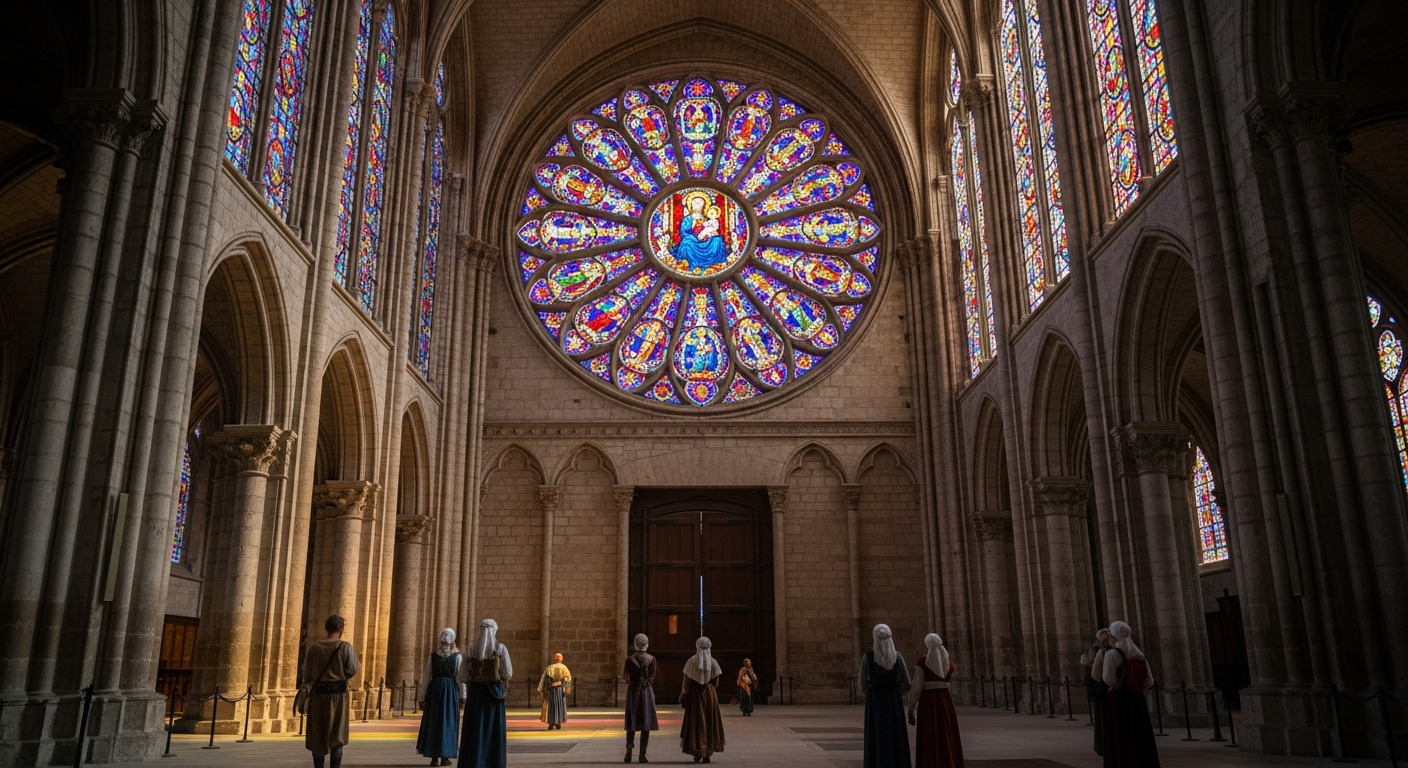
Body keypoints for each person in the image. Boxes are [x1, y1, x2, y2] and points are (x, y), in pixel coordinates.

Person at [303, 615, 360, 768]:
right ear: (341, 629)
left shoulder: (314, 648)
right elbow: (353, 668)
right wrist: (341, 676)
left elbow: (306, 672)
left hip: (318, 696)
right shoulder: (344, 647)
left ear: (326, 628)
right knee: (337, 733)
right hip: (337, 697)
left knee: (317, 733)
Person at [1101, 621, 1160, 767]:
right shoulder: (1138, 654)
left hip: (1119, 699)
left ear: (1113, 636)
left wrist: (1120, 684)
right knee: (1139, 734)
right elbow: (1149, 682)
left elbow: (1108, 680)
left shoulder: (1112, 654)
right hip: (1137, 700)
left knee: (1121, 735)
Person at [457, 619, 512, 768]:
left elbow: (462, 676)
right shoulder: (500, 648)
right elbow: (507, 672)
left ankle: (474, 762)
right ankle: (492, 762)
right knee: (492, 728)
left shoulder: (471, 649)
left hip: (476, 692)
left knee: (475, 727)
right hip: (494, 693)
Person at [906, 633, 964, 768]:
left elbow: (917, 687)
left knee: (929, 734)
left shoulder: (922, 663)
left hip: (928, 701)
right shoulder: (949, 665)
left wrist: (911, 709)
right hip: (945, 700)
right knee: (945, 731)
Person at [861, 623, 911, 768]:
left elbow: (862, 683)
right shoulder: (898, 657)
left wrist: (871, 692)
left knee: (877, 733)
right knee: (895, 732)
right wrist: (895, 691)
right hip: (893, 699)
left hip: (875, 699)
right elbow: (905, 682)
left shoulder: (868, 657)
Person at [417, 628, 465, 767]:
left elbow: (426, 677)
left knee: (434, 722)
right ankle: (445, 756)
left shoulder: (433, 656)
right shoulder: (457, 657)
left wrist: (422, 697)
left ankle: (434, 757)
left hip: (435, 691)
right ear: (453, 640)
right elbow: (460, 679)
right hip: (449, 691)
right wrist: (463, 697)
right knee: (448, 722)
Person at [679, 636, 725, 763]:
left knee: (696, 722)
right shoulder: (713, 662)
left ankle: (697, 751)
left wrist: (684, 694)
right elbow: (716, 682)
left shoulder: (691, 662)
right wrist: (708, 688)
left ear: (697, 646)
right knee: (709, 721)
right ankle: (707, 752)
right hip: (710, 695)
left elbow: (686, 682)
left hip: (695, 695)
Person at [623, 633, 659, 763]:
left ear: (635, 644)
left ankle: (628, 753)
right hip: (646, 693)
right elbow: (653, 677)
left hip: (633, 692)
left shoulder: (629, 660)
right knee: (646, 722)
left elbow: (625, 677)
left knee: (631, 722)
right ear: (646, 644)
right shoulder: (652, 659)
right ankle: (642, 755)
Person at [1081, 628, 1113, 757]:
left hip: (1105, 686)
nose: (1106, 637)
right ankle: (1105, 744)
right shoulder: (1097, 650)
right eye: (1104, 635)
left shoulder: (1107, 651)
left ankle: (1106, 744)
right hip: (1104, 686)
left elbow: (1095, 672)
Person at [538, 652, 573, 730]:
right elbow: (568, 679)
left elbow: (544, 679)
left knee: (552, 706)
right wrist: (568, 688)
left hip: (552, 690)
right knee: (559, 706)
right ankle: (558, 723)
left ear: (555, 659)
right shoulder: (564, 668)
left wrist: (541, 689)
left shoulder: (550, 668)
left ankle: (551, 723)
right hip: (560, 690)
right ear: (561, 659)